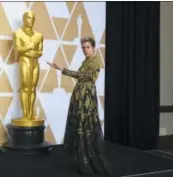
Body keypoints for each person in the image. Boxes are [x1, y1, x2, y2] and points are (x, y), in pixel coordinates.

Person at [47, 37, 112, 176]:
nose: (85, 50)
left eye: (87, 47)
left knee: (86, 124)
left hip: (86, 97)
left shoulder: (95, 61)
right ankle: (82, 157)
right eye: (83, 48)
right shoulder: (87, 61)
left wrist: (63, 69)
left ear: (93, 48)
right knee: (80, 124)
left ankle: (88, 159)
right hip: (81, 95)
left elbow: (83, 76)